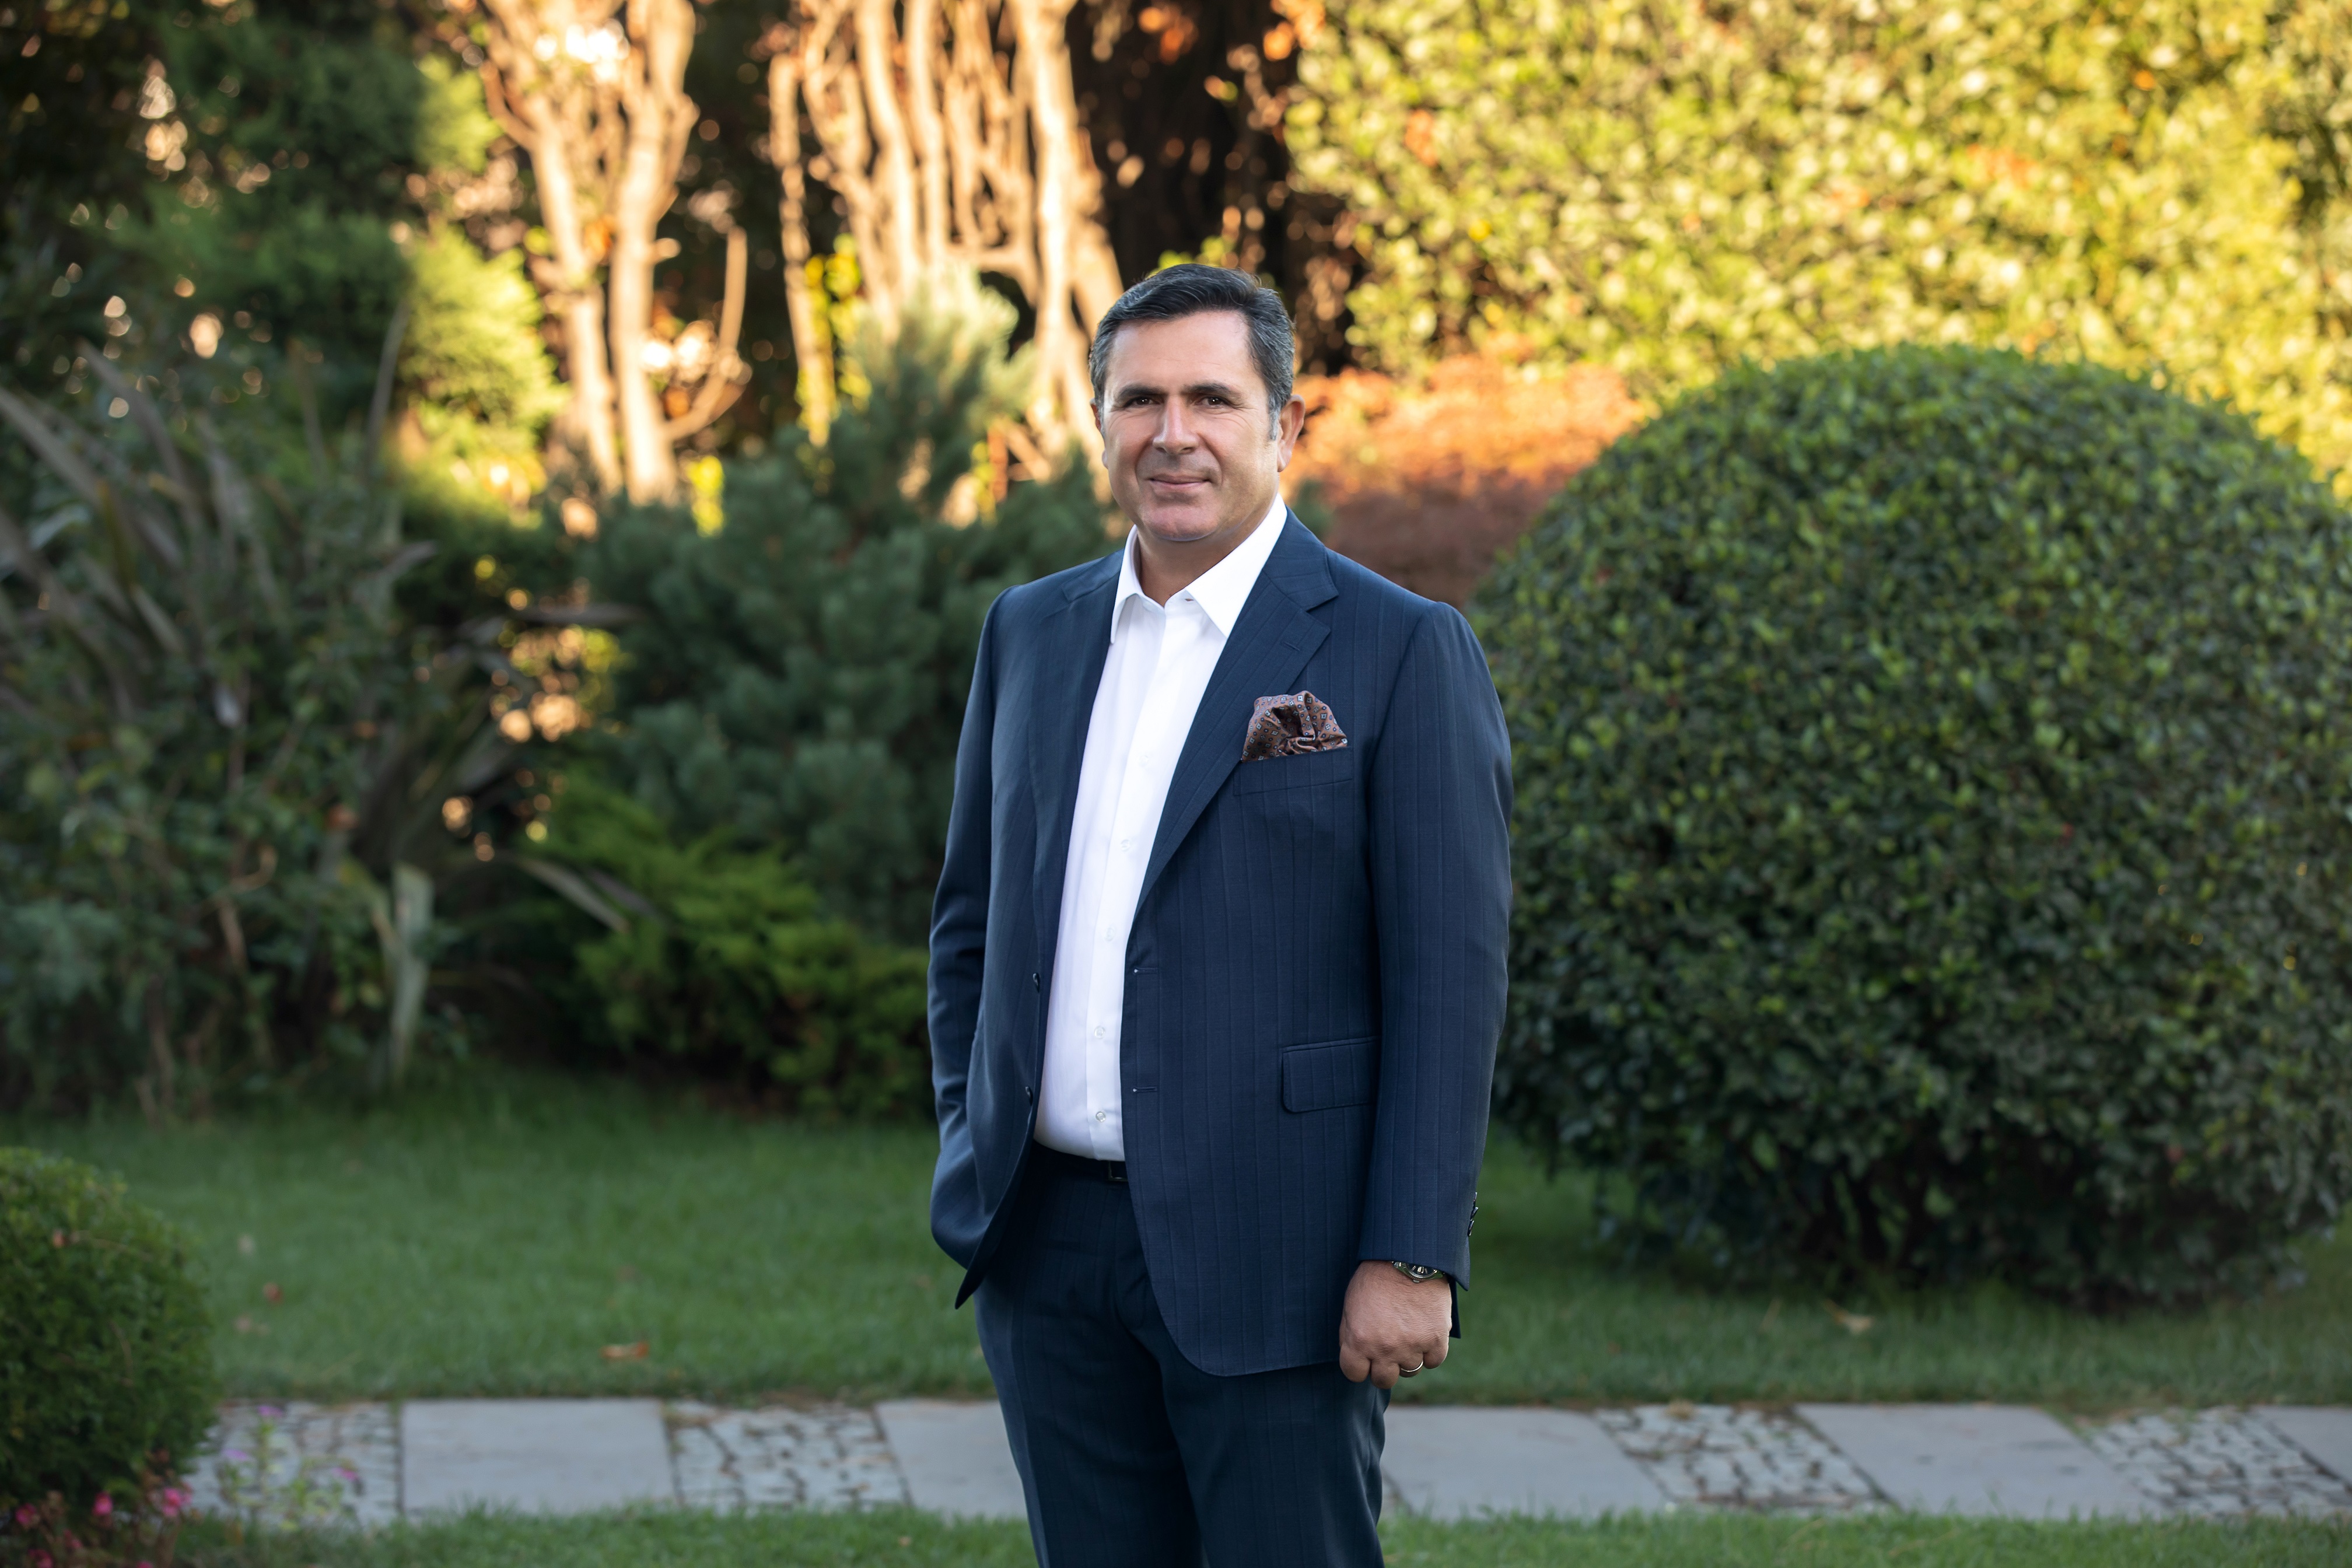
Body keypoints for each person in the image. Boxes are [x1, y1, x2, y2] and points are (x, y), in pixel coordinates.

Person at [925, 263, 1511, 1565]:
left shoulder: (1398, 650)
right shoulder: (1029, 633)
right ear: (1101, 423)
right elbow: (970, 928)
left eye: (1212, 399)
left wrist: (1413, 1254)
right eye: (1140, 401)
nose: (1172, 434)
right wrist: (974, 1145)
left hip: (1283, 1251)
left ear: (1284, 425)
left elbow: (1449, 982)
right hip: (1046, 1248)